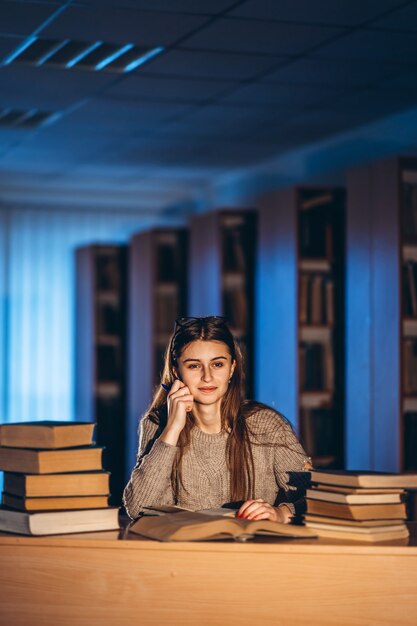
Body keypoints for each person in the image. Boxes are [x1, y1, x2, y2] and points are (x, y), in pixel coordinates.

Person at [123, 316, 311, 522]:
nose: (207, 377)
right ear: (177, 372)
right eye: (194, 366)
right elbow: (138, 509)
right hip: (189, 552)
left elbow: (318, 498)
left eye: (218, 364)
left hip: (253, 550)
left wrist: (282, 513)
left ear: (232, 368)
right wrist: (172, 430)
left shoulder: (267, 425)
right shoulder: (157, 425)